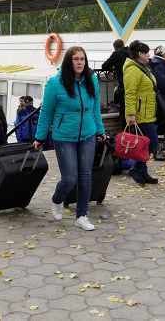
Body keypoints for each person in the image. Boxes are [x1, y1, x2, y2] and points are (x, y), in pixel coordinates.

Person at [33, 46, 105, 231]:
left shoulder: (92, 80)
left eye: (82, 59)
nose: (80, 62)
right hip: (64, 136)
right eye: (75, 59)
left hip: (87, 134)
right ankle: (56, 200)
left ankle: (81, 215)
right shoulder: (55, 83)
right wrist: (40, 137)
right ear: (68, 61)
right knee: (70, 178)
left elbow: (95, 107)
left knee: (86, 175)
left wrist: (100, 130)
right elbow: (46, 111)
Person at [123, 40, 159, 185]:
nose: (149, 56)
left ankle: (142, 172)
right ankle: (137, 168)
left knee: (145, 144)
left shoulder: (142, 68)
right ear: (140, 54)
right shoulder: (133, 70)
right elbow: (130, 93)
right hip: (139, 114)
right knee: (152, 142)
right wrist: (131, 114)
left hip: (147, 111)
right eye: (147, 53)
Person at [102, 39, 130, 128]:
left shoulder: (117, 53)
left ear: (115, 47)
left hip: (124, 85)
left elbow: (104, 66)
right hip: (134, 84)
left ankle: (127, 133)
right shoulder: (130, 51)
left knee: (123, 110)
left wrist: (112, 68)